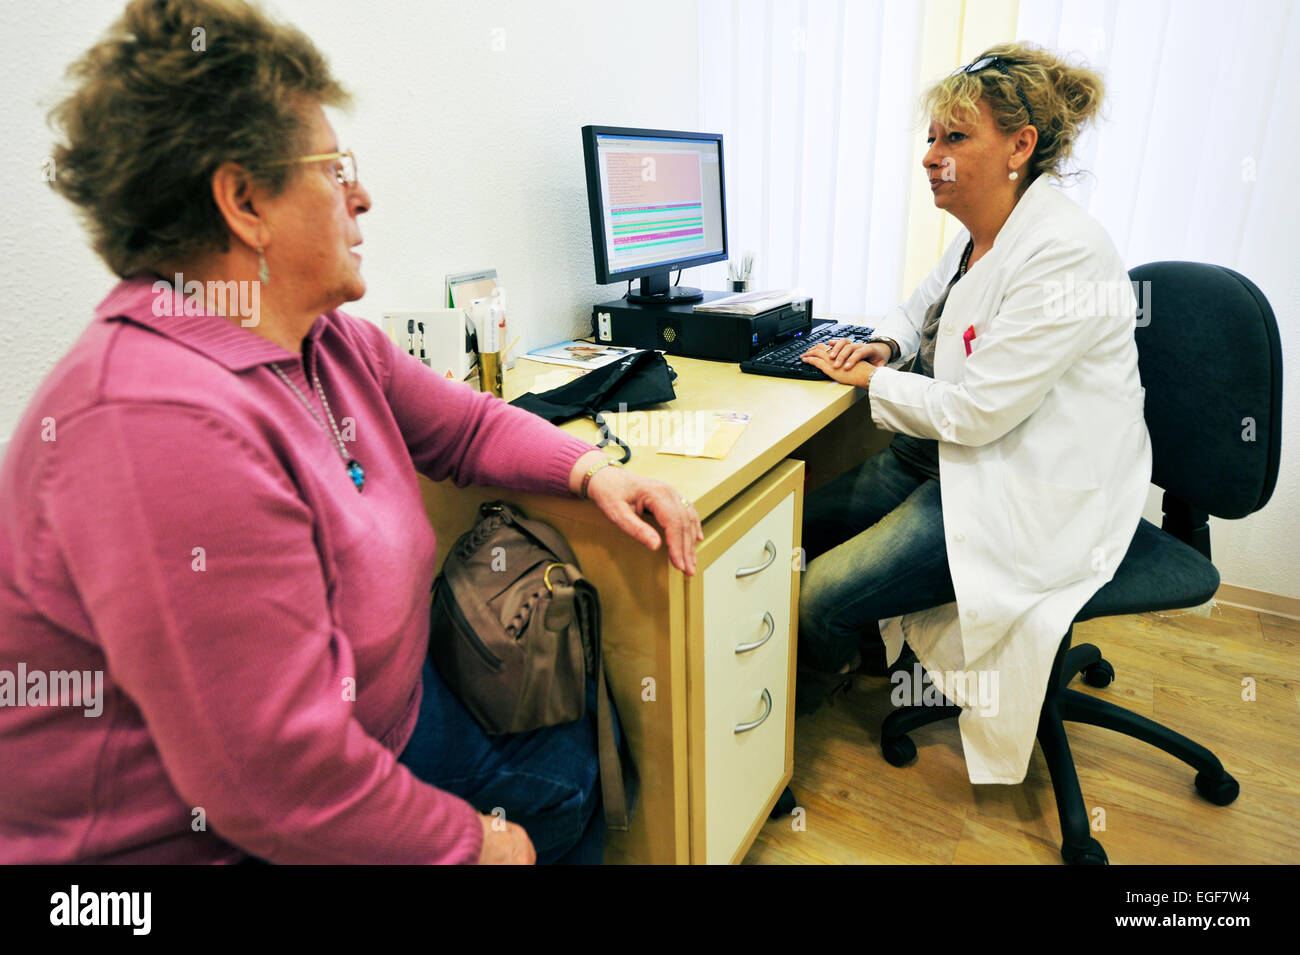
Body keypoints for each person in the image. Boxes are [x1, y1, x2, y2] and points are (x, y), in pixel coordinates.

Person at [0, 0, 701, 864]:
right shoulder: (156, 424)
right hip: (224, 837)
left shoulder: (320, 338)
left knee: (579, 759)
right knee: (549, 812)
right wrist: (477, 846)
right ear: (244, 201)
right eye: (335, 169)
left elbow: (467, 427)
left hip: (392, 721)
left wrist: (594, 469)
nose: (362, 194)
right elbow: (276, 784)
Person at [797, 43, 1151, 784]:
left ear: (1020, 145)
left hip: (1014, 489)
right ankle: (871, 653)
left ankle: (800, 711)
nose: (931, 156)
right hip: (935, 462)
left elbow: (981, 412)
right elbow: (920, 305)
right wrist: (884, 343)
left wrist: (872, 384)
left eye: (954, 138)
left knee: (816, 597)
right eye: (930, 138)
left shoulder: (1062, 254)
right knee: (789, 523)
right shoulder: (984, 236)